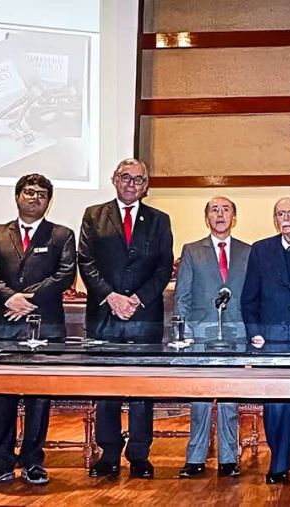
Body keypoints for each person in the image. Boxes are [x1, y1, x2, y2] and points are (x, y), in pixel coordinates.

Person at [0, 174, 76, 488]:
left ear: (49, 201)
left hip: (44, 324)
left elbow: (65, 274)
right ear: (17, 197)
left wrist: (28, 299)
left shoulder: (62, 235)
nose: (35, 198)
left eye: (42, 194)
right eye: (29, 192)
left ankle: (33, 462)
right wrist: (10, 298)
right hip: (2, 324)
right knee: (1, 395)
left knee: (38, 397)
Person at [79, 158, 174, 480]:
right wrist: (112, 297)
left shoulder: (159, 220)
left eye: (138, 179)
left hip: (143, 314)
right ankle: (108, 453)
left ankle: (139, 455)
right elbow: (86, 261)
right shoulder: (94, 215)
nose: (131, 184)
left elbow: (164, 267)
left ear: (146, 186)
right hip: (105, 314)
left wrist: (137, 299)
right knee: (106, 386)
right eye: (125, 177)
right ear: (113, 179)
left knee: (141, 387)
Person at [241, 196, 290, 486]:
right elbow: (249, 298)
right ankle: (279, 463)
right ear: (275, 219)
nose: (286, 218)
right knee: (275, 405)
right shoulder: (261, 249)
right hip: (269, 340)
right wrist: (254, 332)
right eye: (280, 213)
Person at [175, 196, 251, 479]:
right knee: (201, 398)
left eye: (225, 210)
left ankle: (229, 459)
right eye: (214, 210)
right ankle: (195, 458)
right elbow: (182, 296)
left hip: (237, 331)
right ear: (206, 218)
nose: (220, 214)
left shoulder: (248, 251)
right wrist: (181, 332)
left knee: (230, 397)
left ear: (234, 217)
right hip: (200, 332)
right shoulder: (192, 250)